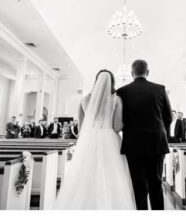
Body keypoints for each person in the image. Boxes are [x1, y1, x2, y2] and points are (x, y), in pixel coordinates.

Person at [54, 69, 135, 210]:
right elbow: (117, 127)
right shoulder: (116, 99)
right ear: (112, 81)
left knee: (86, 173)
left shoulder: (84, 100)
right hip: (110, 140)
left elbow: (81, 127)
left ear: (96, 81)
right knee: (111, 174)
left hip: (89, 139)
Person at [117, 61, 172, 211]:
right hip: (156, 142)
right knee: (156, 183)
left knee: (138, 186)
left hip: (133, 144)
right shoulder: (160, 89)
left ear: (131, 73)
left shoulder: (122, 91)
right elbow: (169, 117)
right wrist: (160, 131)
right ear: (148, 72)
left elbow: (120, 119)